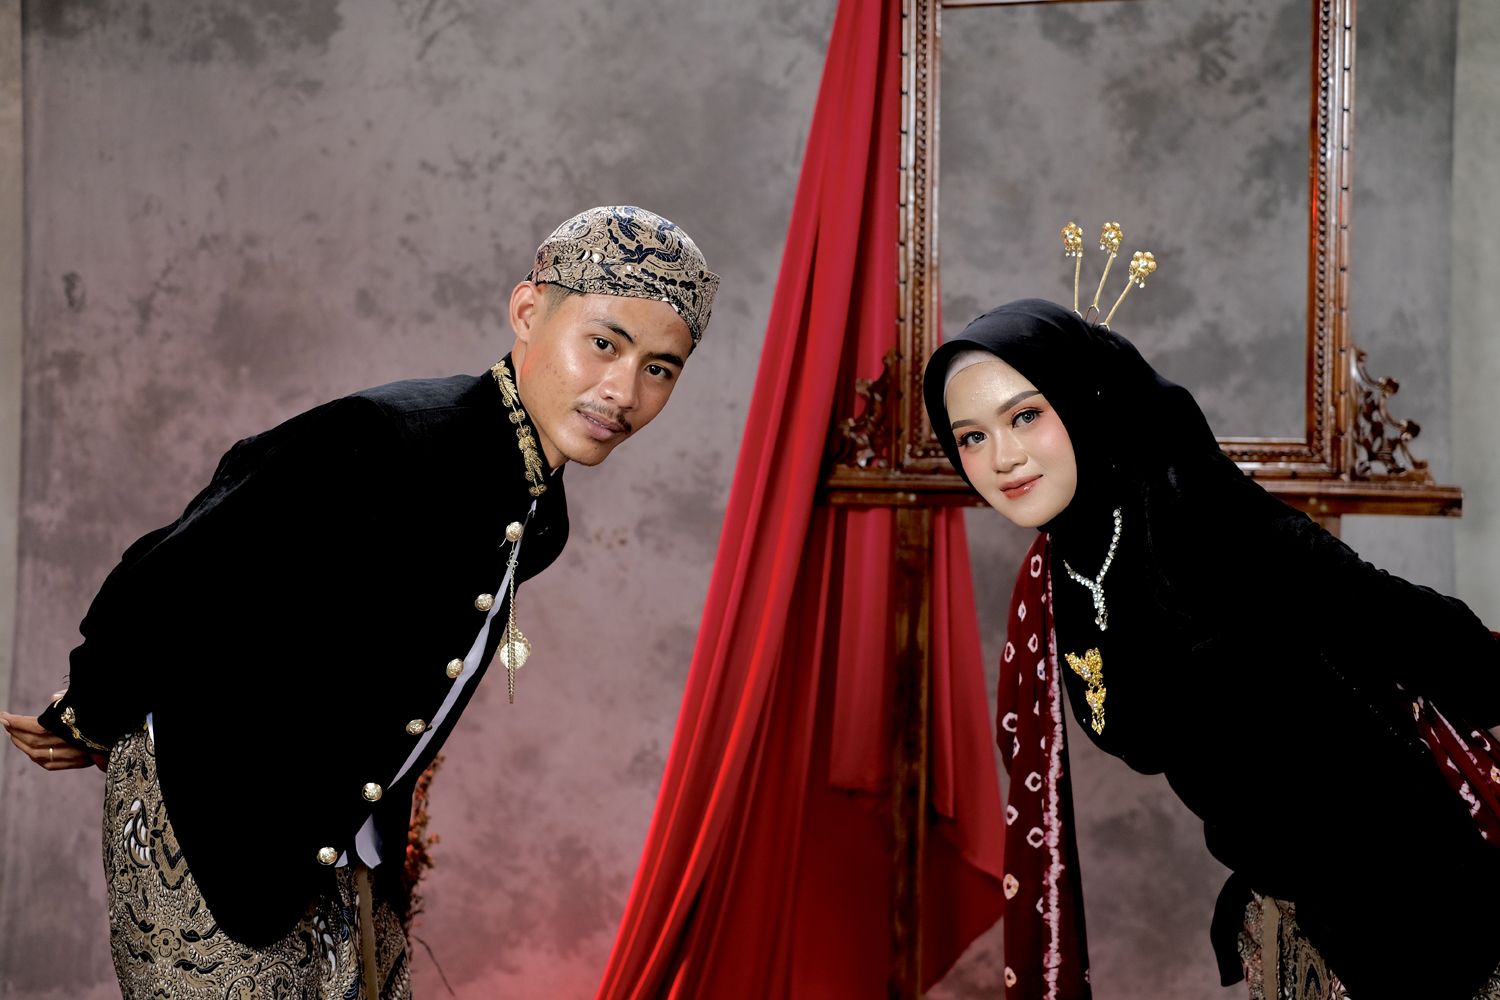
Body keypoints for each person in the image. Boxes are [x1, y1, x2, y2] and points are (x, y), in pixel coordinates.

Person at [1, 205, 718, 1000]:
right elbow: (174, 573)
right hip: (211, 829)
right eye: (604, 344)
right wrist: (89, 712)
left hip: (334, 847)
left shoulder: (540, 516)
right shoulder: (384, 438)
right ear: (526, 312)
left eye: (660, 368)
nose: (623, 391)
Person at [922, 298, 1500, 1000]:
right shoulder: (1061, 568)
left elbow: (1387, 615)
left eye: (1023, 416)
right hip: (1293, 911)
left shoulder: (1183, 504)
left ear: (1082, 399)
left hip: (1412, 897)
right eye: (971, 437)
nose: (1001, 458)